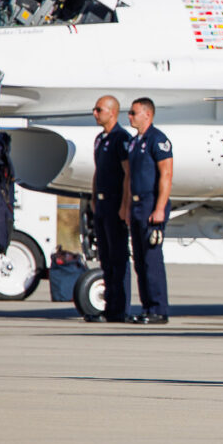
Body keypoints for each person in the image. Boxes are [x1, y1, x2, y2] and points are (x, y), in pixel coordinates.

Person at [126, 97, 174, 325]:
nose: (130, 116)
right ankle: (147, 307)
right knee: (139, 259)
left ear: (147, 114)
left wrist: (160, 208)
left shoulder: (158, 139)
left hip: (151, 203)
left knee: (151, 259)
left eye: (133, 112)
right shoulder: (135, 142)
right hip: (136, 205)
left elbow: (166, 174)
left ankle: (158, 309)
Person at [87, 95, 132, 322]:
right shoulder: (100, 139)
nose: (95, 114)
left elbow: (127, 175)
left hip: (116, 203)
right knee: (105, 258)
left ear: (112, 112)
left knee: (118, 257)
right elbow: (98, 171)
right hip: (102, 203)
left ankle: (119, 309)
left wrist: (125, 206)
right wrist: (94, 198)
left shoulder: (121, 138)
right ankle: (109, 307)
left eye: (99, 110)